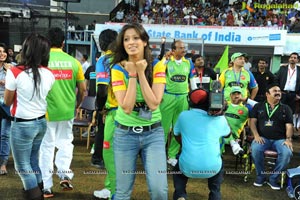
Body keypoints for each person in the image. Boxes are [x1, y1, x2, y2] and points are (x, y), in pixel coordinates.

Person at [110, 23, 168, 200]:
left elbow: (153, 103)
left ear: (144, 42)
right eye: (126, 39)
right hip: (124, 134)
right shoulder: (118, 69)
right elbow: (126, 107)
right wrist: (133, 75)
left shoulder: (157, 66)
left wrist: (141, 73)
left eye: (136, 38)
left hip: (154, 134)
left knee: (159, 191)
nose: (131, 42)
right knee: (122, 192)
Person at [4, 33, 55, 200]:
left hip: (23, 125)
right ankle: (39, 191)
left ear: (26, 50)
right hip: (41, 123)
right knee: (33, 161)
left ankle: (34, 196)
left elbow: (7, 101)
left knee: (23, 167)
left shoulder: (14, 72)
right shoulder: (49, 73)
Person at [39, 27, 86, 198]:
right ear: (63, 43)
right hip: (67, 111)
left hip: (47, 112)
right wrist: (77, 105)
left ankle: (46, 185)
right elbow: (82, 90)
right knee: (66, 143)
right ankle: (65, 174)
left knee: (47, 147)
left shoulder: (42, 61)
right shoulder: (75, 63)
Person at [172, 88, 230, 200]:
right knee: (219, 165)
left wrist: (185, 146)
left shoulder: (183, 116)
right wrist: (222, 113)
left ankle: (180, 195)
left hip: (188, 166)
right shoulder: (220, 119)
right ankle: (215, 195)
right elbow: (227, 134)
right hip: (213, 168)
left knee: (177, 165)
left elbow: (176, 134)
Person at [250, 83, 293, 190]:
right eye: (275, 91)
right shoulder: (258, 106)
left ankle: (274, 178)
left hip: (280, 140)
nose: (278, 93)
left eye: (279, 91)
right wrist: (256, 135)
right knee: (255, 149)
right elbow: (252, 123)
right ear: (267, 94)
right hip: (262, 138)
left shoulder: (286, 108)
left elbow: (289, 126)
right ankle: (261, 176)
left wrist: (288, 139)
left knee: (287, 152)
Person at [160, 39, 195, 167]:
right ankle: (159, 156)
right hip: (167, 97)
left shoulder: (189, 63)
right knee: (163, 128)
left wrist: (195, 95)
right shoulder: (167, 62)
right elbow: (158, 77)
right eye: (180, 48)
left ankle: (172, 155)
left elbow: (192, 81)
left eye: (184, 47)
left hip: (183, 98)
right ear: (173, 50)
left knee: (178, 128)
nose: (184, 50)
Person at [93, 29, 118, 199]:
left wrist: (99, 109)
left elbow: (102, 90)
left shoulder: (104, 60)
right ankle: (112, 188)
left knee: (110, 155)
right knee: (121, 154)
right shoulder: (124, 59)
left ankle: (114, 191)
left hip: (114, 113)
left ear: (101, 43)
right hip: (130, 111)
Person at [0, 43, 13, 175]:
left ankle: (3, 164)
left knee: (5, 135)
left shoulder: (10, 67)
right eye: (0, 51)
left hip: (6, 105)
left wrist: (9, 74)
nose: (2, 54)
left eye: (4, 51)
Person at [224, 86, 249, 155]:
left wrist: (245, 100)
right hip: (220, 133)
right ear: (230, 96)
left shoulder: (245, 110)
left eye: (238, 94)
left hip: (233, 134)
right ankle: (233, 143)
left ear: (242, 96)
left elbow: (259, 106)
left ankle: (232, 142)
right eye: (234, 94)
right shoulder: (225, 106)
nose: (236, 96)